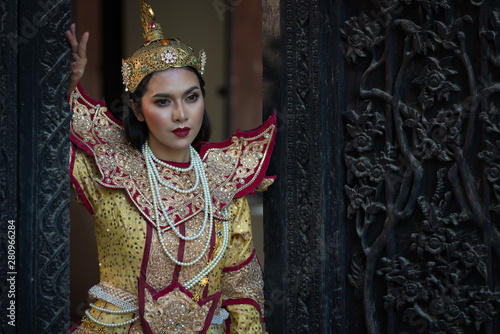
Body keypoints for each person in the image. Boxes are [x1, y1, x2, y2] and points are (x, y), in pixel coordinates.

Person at [66, 1, 276, 333]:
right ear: (137, 109)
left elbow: (242, 292)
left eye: (191, 97)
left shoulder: (224, 182)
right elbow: (40, 151)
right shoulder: (107, 170)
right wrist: (62, 84)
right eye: (163, 101)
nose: (181, 114)